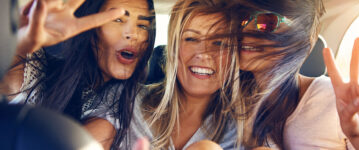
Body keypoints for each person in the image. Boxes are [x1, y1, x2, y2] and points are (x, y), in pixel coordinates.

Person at [84, 0, 242, 149]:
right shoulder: (125, 98)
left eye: (219, 42)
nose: (203, 54)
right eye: (191, 38)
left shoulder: (245, 131)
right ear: (173, 49)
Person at [0, 0, 156, 149]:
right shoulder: (37, 73)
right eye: (118, 20)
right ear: (89, 25)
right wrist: (18, 40)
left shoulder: (138, 105)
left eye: (143, 25)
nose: (133, 34)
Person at [227, 0, 359, 149]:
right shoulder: (229, 108)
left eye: (266, 22)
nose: (245, 30)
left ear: (304, 39)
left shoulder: (335, 100)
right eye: (243, 20)